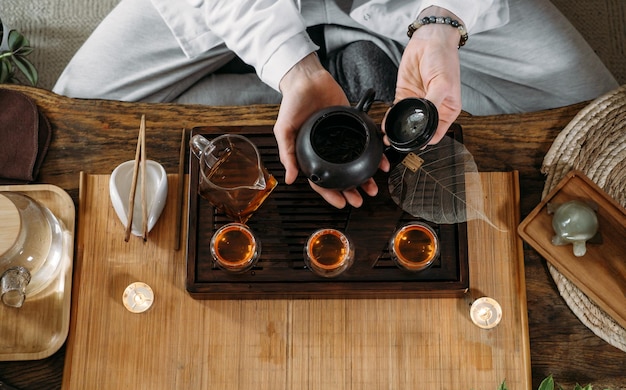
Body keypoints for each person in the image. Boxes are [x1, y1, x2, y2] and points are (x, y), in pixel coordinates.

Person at [53, 0, 618, 209]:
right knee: (77, 118)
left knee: (599, 122)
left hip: (413, 5)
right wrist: (291, 65)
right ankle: (320, 79)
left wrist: (441, 25)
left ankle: (366, 57)